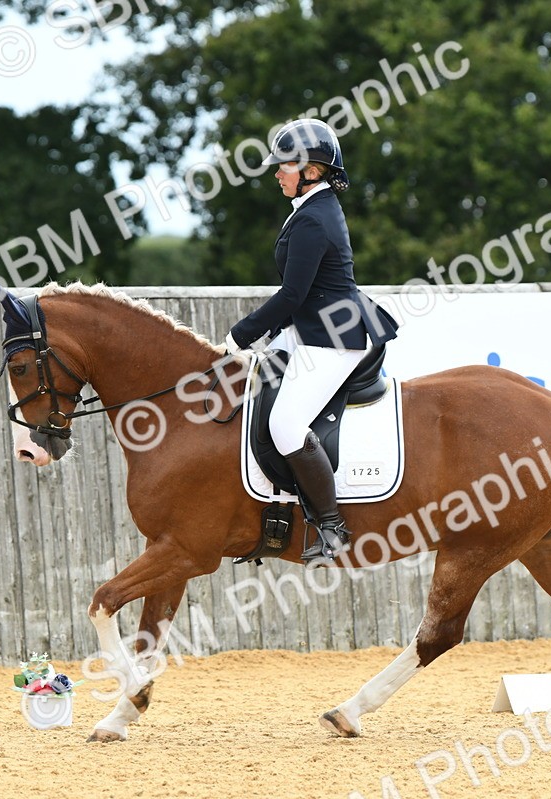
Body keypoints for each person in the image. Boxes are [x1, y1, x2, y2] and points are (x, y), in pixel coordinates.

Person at [224, 119, 399, 563]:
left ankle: (332, 526)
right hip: (310, 329)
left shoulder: (313, 219)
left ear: (312, 170)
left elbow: (292, 295)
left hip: (332, 339)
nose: (276, 173)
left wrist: (241, 334)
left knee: (286, 425)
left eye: (284, 166)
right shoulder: (310, 208)